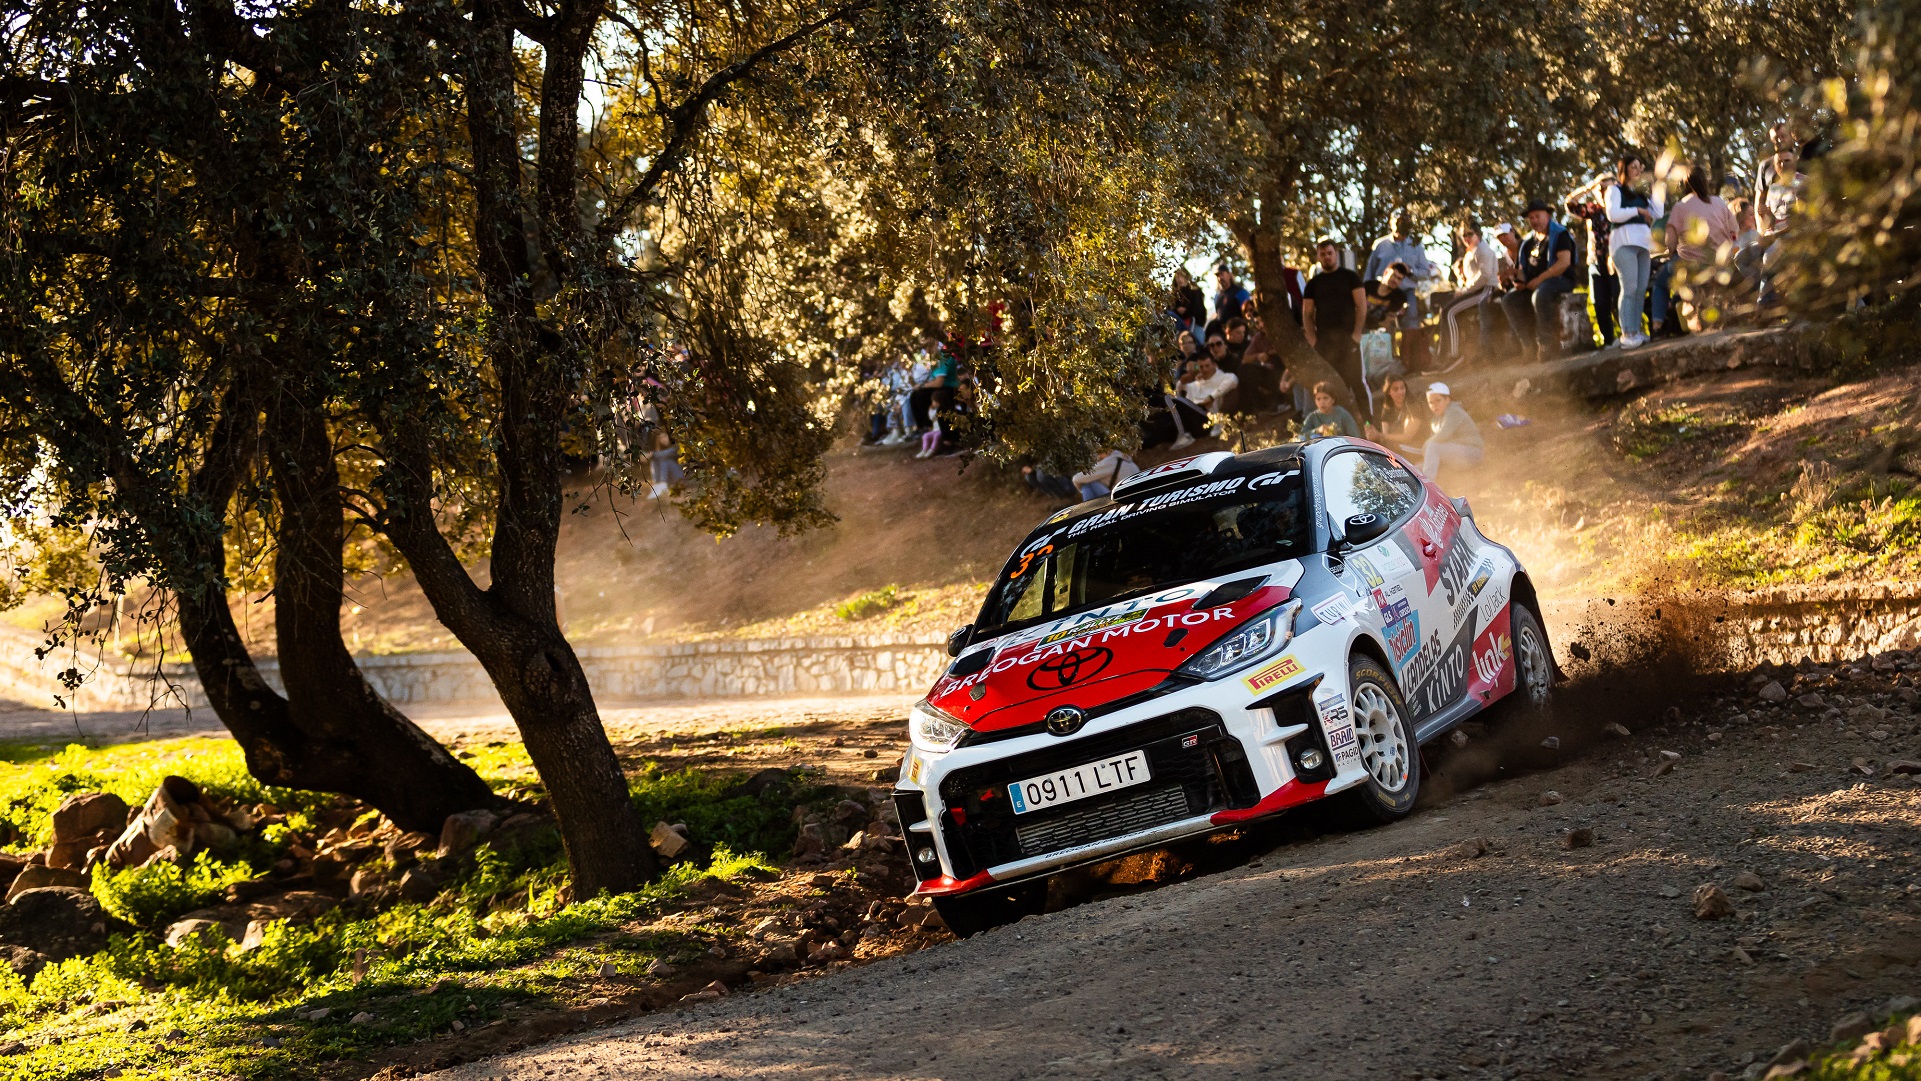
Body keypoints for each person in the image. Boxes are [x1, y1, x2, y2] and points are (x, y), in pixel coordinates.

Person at [1499, 201, 1577, 362]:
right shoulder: (1528, 241)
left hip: (1560, 280)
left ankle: (1545, 345)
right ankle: (1528, 346)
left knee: (1540, 295)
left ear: (1547, 215)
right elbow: (1523, 269)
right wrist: (1518, 281)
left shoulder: (1560, 234)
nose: (1534, 220)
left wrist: (1539, 280)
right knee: (1509, 300)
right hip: (1535, 283)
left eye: (1537, 216)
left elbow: (1564, 263)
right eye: (1531, 218)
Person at [1300, 237, 1370, 413]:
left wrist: (1357, 334)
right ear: (1318, 256)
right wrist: (1313, 340)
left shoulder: (1350, 277)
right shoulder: (1313, 284)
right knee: (1331, 386)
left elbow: (1362, 306)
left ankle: (1369, 423)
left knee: (1357, 382)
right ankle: (1338, 425)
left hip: (1349, 339)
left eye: (1330, 253)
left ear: (1336, 254)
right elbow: (1307, 314)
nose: (1327, 257)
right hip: (1325, 343)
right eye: (1323, 254)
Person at [1606, 153, 1664, 348]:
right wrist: (1637, 211)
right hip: (1623, 243)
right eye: (1634, 167)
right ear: (1624, 170)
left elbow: (1658, 213)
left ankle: (1636, 330)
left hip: (1643, 244)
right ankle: (1627, 333)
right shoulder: (1614, 190)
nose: (1638, 171)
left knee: (1640, 289)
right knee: (1629, 288)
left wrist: (1657, 187)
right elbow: (1613, 214)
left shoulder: (1641, 194)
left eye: (1640, 167)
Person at [1564, 173, 1620, 346]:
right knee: (1599, 303)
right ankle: (1609, 341)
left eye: (1607, 188)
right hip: (1596, 261)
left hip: (1617, 260)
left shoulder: (1620, 209)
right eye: (1600, 189)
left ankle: (1628, 333)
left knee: (1619, 298)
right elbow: (1570, 205)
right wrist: (1589, 187)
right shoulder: (1593, 210)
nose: (1603, 192)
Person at [1364, 211, 1435, 335]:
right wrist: (1364, 292)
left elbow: (1426, 273)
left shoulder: (1416, 246)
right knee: (1375, 323)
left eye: (1404, 222)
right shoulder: (1380, 245)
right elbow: (1370, 271)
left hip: (1406, 292)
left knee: (1411, 323)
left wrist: (1410, 271)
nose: (1400, 225)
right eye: (1397, 222)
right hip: (1381, 294)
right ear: (1390, 223)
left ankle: (1408, 347)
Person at [1442, 222, 1498, 366]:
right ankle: (1444, 353)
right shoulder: (1470, 253)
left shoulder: (1483, 250)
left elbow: (1485, 276)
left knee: (1449, 312)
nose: (1466, 238)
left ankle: (1454, 355)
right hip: (1475, 290)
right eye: (1463, 235)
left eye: (1469, 234)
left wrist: (1465, 291)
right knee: (1445, 309)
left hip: (1485, 290)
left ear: (1477, 234)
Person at [1415, 382, 1483, 479]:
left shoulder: (1454, 411)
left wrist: (1426, 446)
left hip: (1472, 454)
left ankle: (1428, 484)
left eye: (1438, 401)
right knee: (1417, 468)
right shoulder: (1436, 419)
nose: (1434, 405)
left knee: (1432, 446)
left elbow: (1442, 436)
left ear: (1447, 400)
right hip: (1454, 454)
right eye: (1431, 402)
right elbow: (1432, 442)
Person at [908, 338, 959, 433]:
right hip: (942, 387)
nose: (927, 349)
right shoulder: (934, 359)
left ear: (936, 343)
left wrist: (921, 386)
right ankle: (922, 427)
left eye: (929, 346)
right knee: (914, 395)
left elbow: (939, 382)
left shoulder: (943, 357)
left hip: (951, 388)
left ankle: (929, 426)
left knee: (921, 395)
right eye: (924, 347)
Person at [1366, 375, 1424, 445]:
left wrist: (1379, 435)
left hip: (1416, 444)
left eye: (1402, 388)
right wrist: (1372, 436)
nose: (1400, 392)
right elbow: (1385, 436)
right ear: (1388, 392)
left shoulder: (1413, 406)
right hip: (1397, 446)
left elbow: (1407, 437)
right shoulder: (1387, 408)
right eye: (1395, 389)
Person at [1073, 448, 1139, 500]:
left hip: (1122, 500)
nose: (1098, 458)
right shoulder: (1127, 461)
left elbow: (1077, 478)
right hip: (1135, 498)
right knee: (1089, 482)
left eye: (1099, 453)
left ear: (1108, 450)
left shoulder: (1111, 461)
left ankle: (1089, 511)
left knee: (1088, 483)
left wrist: (1082, 490)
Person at [1361, 262, 1411, 331]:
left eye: (1399, 279)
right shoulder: (1367, 286)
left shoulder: (1399, 297)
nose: (1395, 280)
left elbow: (1388, 322)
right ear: (1385, 272)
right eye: (1393, 276)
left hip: (1381, 332)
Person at [1209, 266, 1251, 339]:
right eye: (1218, 275)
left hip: (1238, 331)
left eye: (1222, 274)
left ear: (1229, 275)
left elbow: (1247, 312)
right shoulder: (1217, 296)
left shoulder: (1240, 292)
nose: (1220, 278)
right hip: (1223, 333)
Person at [1168, 268, 1207, 337]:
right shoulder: (1174, 294)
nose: (1180, 279)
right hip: (1179, 322)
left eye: (1182, 276)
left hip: (1195, 323)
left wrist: (1186, 310)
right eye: (1177, 277)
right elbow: (1170, 308)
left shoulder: (1195, 290)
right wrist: (1177, 310)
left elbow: (1197, 308)